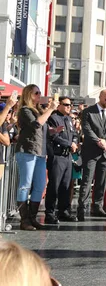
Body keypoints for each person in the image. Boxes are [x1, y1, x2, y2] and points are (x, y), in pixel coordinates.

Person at [15, 84, 59, 231]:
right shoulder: (24, 110)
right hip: (27, 150)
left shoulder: (38, 110)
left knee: (40, 186)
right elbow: (36, 124)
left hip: (40, 152)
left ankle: (32, 217)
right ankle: (24, 219)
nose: (39, 95)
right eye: (36, 93)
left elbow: (42, 129)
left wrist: (53, 131)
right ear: (29, 95)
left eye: (40, 93)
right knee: (25, 185)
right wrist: (51, 109)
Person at [77, 89, 106, 221]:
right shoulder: (88, 111)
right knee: (87, 180)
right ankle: (81, 208)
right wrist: (98, 141)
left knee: (102, 181)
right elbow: (87, 129)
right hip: (91, 152)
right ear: (100, 97)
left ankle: (98, 207)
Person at [45, 96, 78, 224]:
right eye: (66, 104)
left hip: (67, 156)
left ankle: (64, 211)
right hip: (57, 155)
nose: (69, 107)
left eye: (70, 105)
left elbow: (75, 134)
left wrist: (74, 143)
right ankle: (50, 213)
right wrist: (69, 144)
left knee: (66, 185)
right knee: (54, 185)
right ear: (59, 105)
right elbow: (54, 136)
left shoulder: (69, 119)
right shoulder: (53, 118)